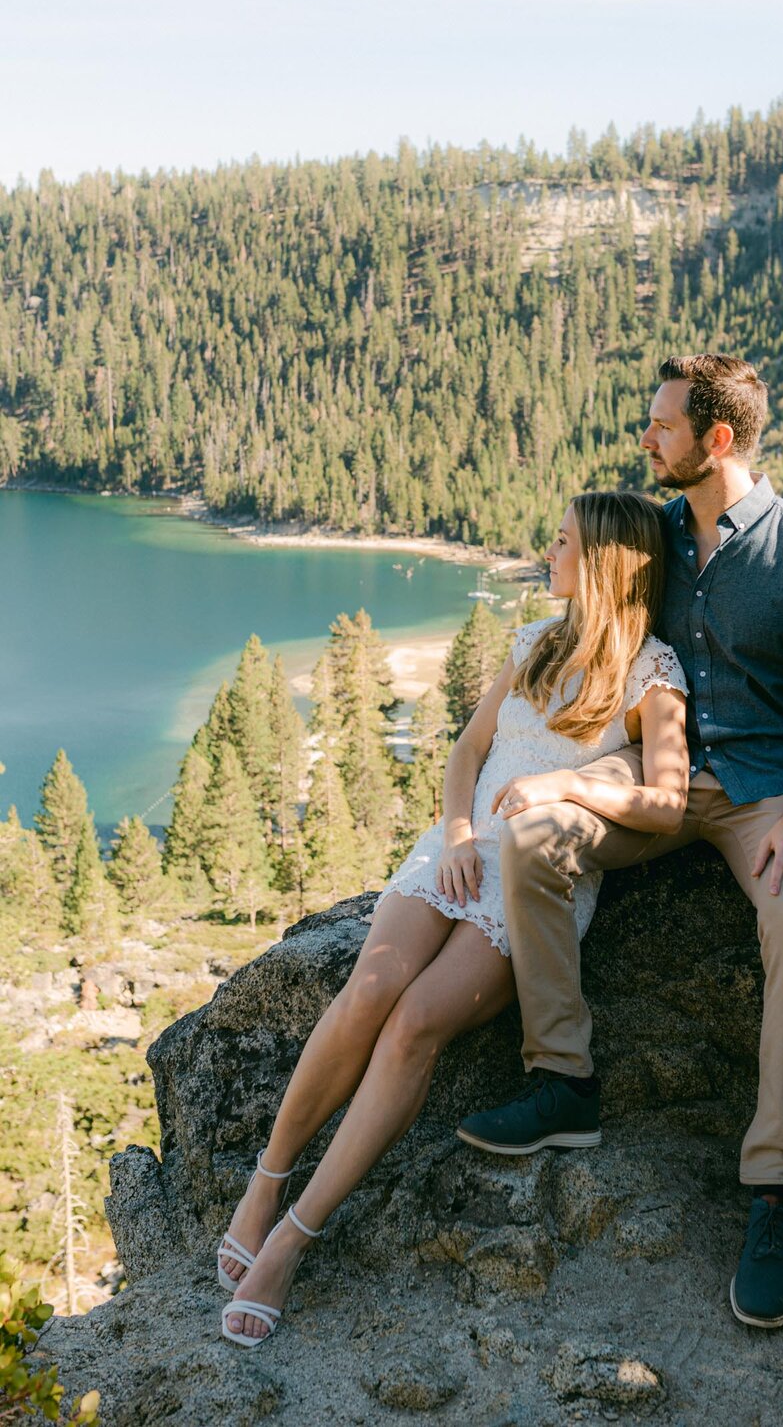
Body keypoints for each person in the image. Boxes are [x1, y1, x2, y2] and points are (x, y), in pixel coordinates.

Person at [458, 354, 783, 1332]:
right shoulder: (649, 543)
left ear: (716, 440)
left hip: (763, 792)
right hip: (644, 776)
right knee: (530, 839)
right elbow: (588, 628)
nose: (646, 439)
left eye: (662, 426)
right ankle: (561, 1079)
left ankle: (777, 1194)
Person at [217, 489, 691, 1345]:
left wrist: (565, 785)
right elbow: (468, 752)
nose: (548, 554)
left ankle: (296, 1235)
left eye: (563, 543)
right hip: (460, 846)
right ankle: (266, 1182)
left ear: (606, 565)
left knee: (413, 1029)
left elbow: (667, 801)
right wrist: (462, 831)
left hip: (538, 879)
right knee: (372, 987)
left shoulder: (652, 674)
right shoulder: (535, 644)